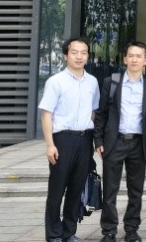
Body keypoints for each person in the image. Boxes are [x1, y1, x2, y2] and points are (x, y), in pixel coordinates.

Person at [39, 36, 100, 242]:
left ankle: (69, 232)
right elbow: (46, 114)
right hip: (62, 140)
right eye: (74, 52)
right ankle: (54, 234)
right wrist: (50, 145)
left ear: (88, 56)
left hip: (85, 140)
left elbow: (93, 112)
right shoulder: (56, 82)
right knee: (57, 189)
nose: (79, 56)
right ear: (66, 56)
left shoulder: (92, 82)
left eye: (83, 53)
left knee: (76, 188)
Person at [94, 41, 146, 242]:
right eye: (131, 56)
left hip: (139, 144)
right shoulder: (111, 82)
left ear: (145, 60)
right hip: (114, 142)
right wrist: (98, 140)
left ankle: (131, 230)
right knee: (110, 190)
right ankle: (109, 231)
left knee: (136, 191)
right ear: (125, 59)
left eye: (139, 56)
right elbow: (101, 113)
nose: (134, 59)